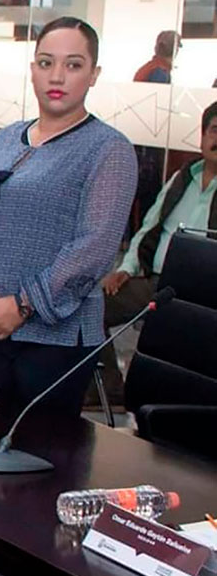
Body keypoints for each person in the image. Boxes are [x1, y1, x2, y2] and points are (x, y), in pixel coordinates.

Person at [0, 17, 138, 416]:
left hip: (57, 341)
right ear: (32, 68)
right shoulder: (3, 138)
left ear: (93, 75)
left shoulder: (109, 150)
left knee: (43, 460)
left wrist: (22, 305)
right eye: (46, 62)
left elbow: (97, 246)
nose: (58, 76)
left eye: (73, 65)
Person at [98, 100, 217, 400]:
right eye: (215, 130)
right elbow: (149, 227)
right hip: (157, 283)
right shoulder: (182, 179)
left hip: (203, 297)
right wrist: (127, 268)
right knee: (91, 305)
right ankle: (110, 392)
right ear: (202, 136)